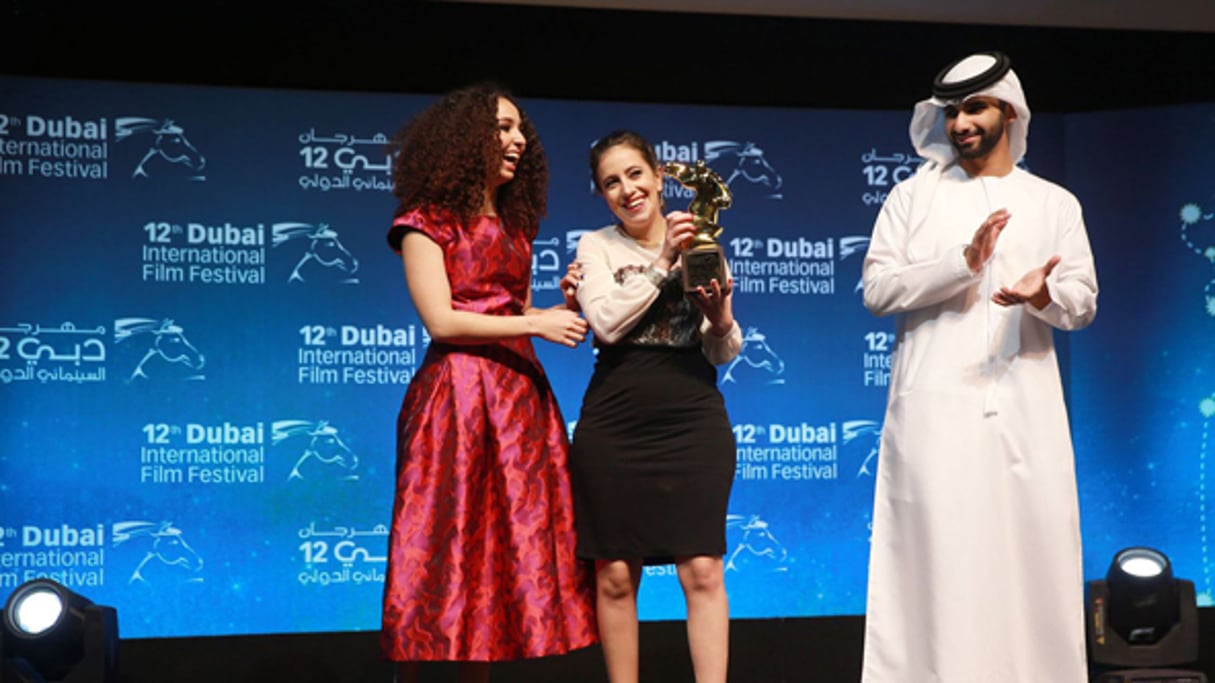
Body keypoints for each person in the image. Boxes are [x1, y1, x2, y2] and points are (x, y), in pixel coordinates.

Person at [860, 52, 1099, 681]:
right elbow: (877, 291)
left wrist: (1041, 296)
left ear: (1008, 112)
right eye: (953, 112)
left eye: (974, 108)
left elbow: (1083, 304)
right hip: (934, 411)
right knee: (941, 563)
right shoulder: (912, 197)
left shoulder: (1054, 203)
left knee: (1029, 558)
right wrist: (961, 264)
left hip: (1025, 409)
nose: (961, 123)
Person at [380, 83, 597, 683]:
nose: (517, 140)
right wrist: (535, 322)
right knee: (442, 548)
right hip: (455, 400)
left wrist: (565, 303)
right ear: (466, 138)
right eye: (502, 129)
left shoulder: (515, 226)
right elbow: (443, 320)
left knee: (498, 555)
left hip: (518, 402)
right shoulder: (425, 222)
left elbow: (514, 311)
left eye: (519, 129)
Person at [563, 130, 742, 683]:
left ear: (658, 177)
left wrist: (721, 318)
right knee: (615, 573)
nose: (627, 189)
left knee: (704, 569)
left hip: (692, 415)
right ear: (601, 193)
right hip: (615, 421)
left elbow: (721, 349)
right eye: (611, 182)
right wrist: (665, 260)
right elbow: (607, 324)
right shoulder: (595, 247)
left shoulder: (702, 234)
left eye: (635, 174)